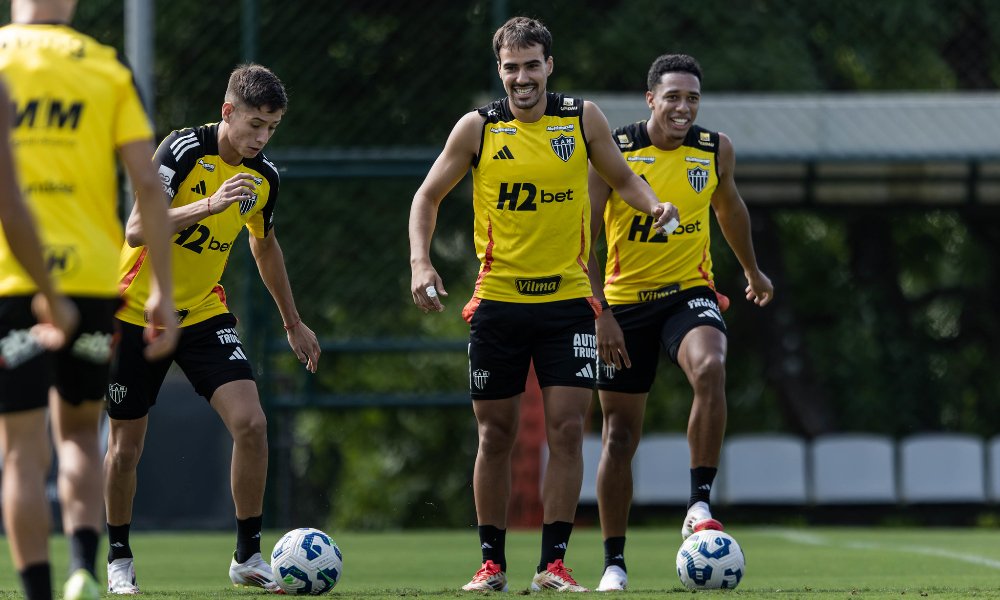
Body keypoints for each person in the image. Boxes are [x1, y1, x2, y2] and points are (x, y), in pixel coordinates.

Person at [408, 16, 677, 594]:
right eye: (511, 67)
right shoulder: (478, 128)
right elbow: (427, 195)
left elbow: (623, 177)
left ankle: (553, 565)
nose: (522, 77)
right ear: (499, 70)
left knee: (565, 431)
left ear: (549, 66)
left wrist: (653, 204)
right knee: (495, 435)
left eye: (532, 65)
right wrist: (420, 262)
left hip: (568, 305)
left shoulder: (582, 118)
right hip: (499, 303)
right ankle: (491, 564)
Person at [103, 63, 321, 595]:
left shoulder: (264, 178)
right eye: (254, 124)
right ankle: (119, 559)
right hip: (135, 314)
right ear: (228, 113)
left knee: (252, 423)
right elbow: (135, 229)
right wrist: (209, 204)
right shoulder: (181, 151)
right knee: (126, 448)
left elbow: (264, 246)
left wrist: (293, 322)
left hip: (202, 312)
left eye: (271, 127)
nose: (261, 138)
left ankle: (248, 555)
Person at [0, 0, 179, 598]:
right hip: (93, 278)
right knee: (78, 434)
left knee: (22, 452)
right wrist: (163, 293)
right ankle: (83, 567)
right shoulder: (105, 66)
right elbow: (147, 184)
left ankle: (40, 592)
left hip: (11, 278)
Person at [587, 53, 774, 592]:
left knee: (711, 365)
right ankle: (614, 564)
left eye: (692, 98)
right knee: (619, 437)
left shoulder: (714, 150)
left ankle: (698, 502)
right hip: (623, 307)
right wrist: (601, 313)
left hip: (688, 295)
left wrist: (752, 271)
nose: (683, 107)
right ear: (650, 99)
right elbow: (587, 239)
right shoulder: (615, 150)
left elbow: (729, 208)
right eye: (672, 97)